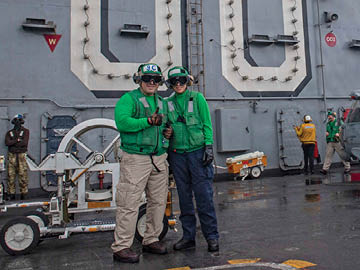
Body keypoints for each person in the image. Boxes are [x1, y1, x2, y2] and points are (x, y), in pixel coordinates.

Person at [111, 63, 172, 263]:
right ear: (139, 80)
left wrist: (166, 134)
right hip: (136, 159)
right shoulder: (128, 100)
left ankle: (151, 239)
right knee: (129, 203)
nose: (152, 83)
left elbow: (165, 125)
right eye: (147, 79)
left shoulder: (162, 103)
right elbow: (123, 123)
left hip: (158, 158)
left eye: (155, 79)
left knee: (158, 201)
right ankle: (121, 247)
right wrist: (147, 122)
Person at [166, 66, 219, 252]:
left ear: (187, 81)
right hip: (177, 155)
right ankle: (188, 237)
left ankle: (212, 237)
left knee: (204, 197)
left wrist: (209, 147)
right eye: (174, 81)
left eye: (181, 80)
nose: (178, 84)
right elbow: (166, 128)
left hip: (198, 154)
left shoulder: (198, 99)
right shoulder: (168, 103)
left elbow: (207, 124)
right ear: (170, 84)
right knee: (184, 199)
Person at [5, 114, 30, 200]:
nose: (17, 123)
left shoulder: (26, 131)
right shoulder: (9, 133)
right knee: (10, 175)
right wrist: (17, 140)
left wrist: (13, 142)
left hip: (21, 155)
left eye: (19, 121)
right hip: (12, 155)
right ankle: (11, 194)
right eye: (16, 121)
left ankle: (24, 193)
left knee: (23, 175)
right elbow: (7, 143)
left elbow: (24, 143)